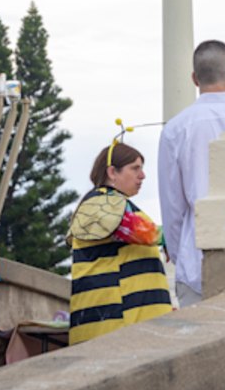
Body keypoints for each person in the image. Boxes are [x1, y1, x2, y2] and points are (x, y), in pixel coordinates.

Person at [157, 40, 225, 307]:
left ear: (194, 79)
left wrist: (178, 254)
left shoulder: (176, 129)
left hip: (196, 260)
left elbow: (172, 206)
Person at [68, 143, 173, 344]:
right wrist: (173, 236)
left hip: (121, 323)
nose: (142, 176)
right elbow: (137, 230)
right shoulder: (102, 204)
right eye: (135, 168)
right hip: (116, 322)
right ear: (112, 172)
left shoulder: (111, 203)